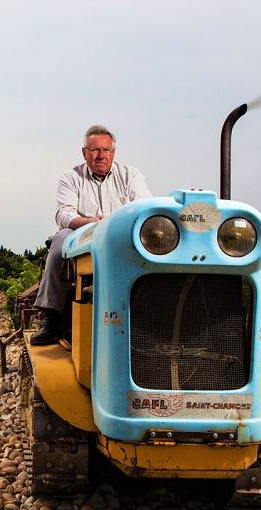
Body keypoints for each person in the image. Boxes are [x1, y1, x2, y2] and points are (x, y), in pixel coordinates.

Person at [30, 125, 153, 345]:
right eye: (94, 150)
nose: (100, 155)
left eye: (105, 150)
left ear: (113, 152)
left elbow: (144, 207)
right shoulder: (71, 178)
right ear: (84, 152)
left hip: (121, 233)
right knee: (60, 240)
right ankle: (51, 317)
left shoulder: (130, 175)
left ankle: (149, 315)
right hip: (82, 232)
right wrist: (89, 222)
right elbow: (64, 213)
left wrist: (115, 224)